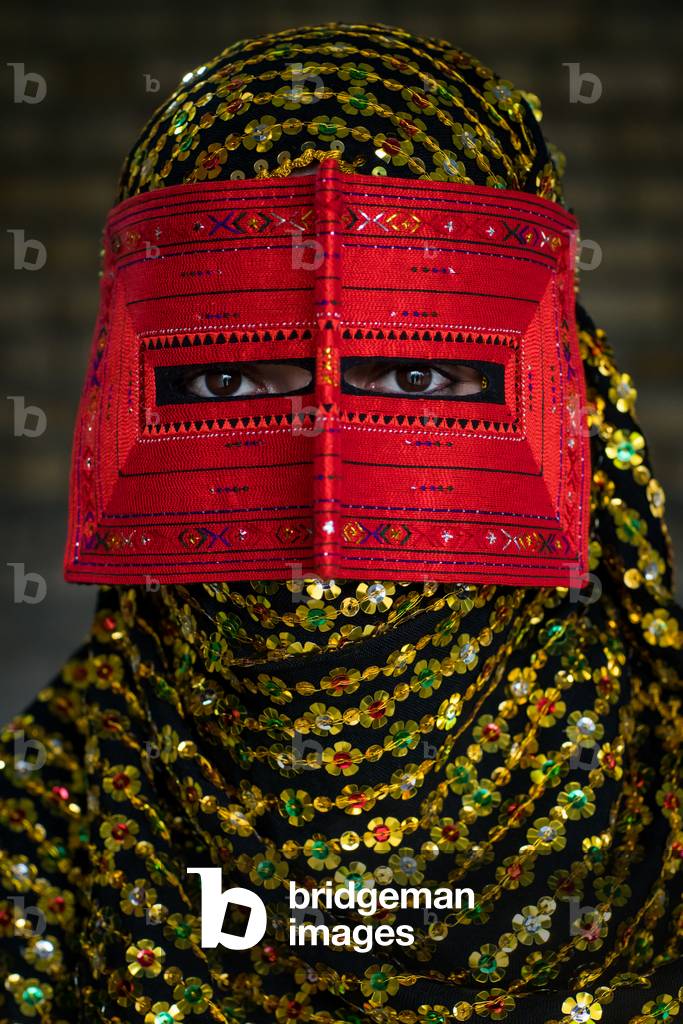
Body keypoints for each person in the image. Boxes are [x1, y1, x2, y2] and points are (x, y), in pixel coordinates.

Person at [1, 22, 681, 1024]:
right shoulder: (35, 847)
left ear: (563, 397)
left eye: (413, 377)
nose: (318, 541)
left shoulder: (656, 820)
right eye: (225, 380)